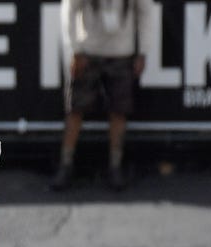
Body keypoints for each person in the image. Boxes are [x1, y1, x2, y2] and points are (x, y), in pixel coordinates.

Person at [50, 0, 153, 191]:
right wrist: (74, 49)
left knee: (119, 110)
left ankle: (115, 166)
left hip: (122, 53)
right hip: (87, 52)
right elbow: (69, 9)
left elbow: (146, 11)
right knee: (75, 109)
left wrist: (143, 51)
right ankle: (66, 164)